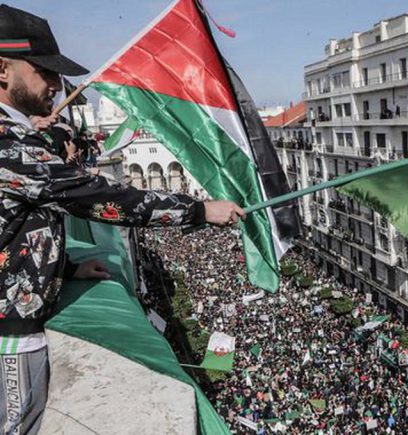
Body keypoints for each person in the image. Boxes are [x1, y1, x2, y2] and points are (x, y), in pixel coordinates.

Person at [0, 5, 245, 434]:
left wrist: (67, 267)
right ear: (3, 69)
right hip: (11, 336)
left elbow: (18, 221)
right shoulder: (8, 146)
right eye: (44, 72)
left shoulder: (17, 138)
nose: (57, 86)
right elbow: (101, 198)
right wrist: (200, 210)